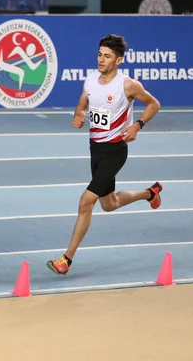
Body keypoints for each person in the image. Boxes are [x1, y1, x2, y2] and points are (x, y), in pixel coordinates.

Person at [46, 34, 162, 276]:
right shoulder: (90, 81)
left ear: (118, 60)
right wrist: (78, 114)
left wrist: (137, 125)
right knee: (109, 204)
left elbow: (154, 104)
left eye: (107, 56)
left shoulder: (128, 85)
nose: (101, 59)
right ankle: (150, 193)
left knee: (85, 202)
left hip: (115, 151)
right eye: (99, 54)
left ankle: (66, 259)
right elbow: (82, 104)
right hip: (95, 149)